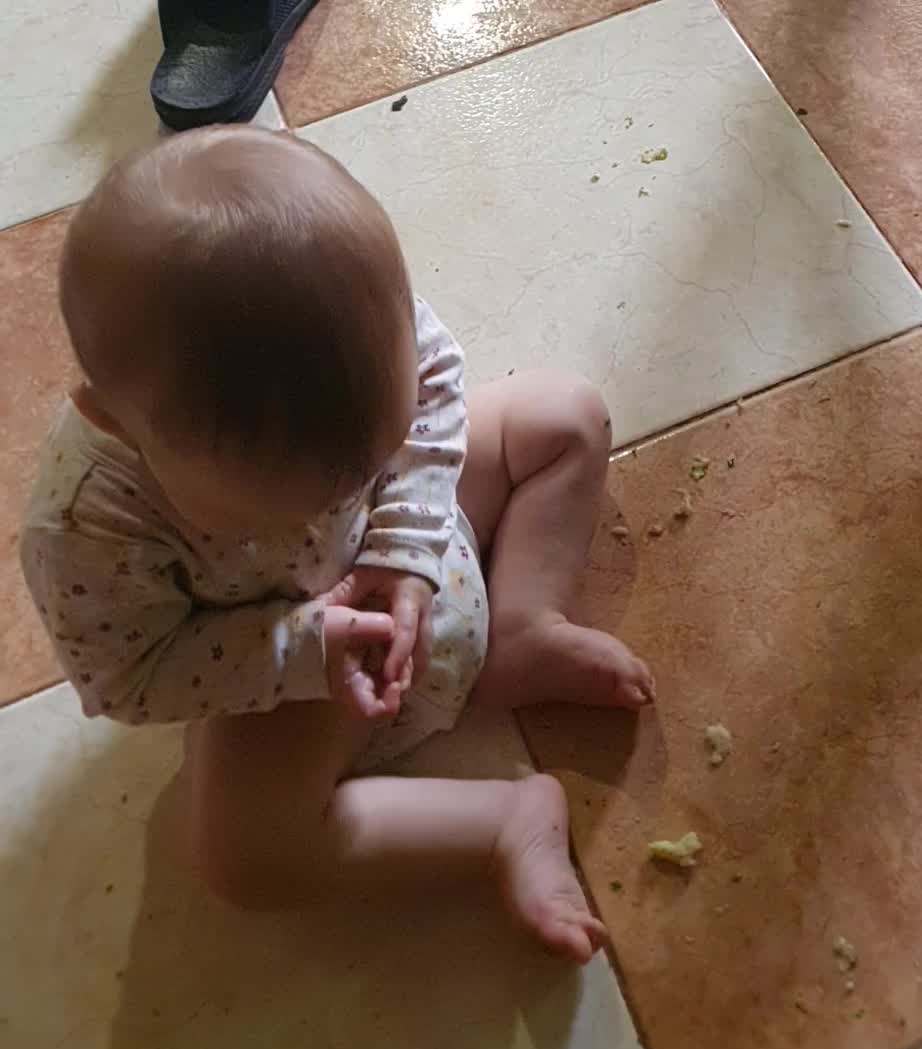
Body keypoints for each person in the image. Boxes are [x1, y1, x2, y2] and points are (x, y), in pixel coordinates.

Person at [20, 126, 654, 962]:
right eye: (286, 507)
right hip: (306, 670)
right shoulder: (87, 529)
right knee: (246, 860)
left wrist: (402, 543)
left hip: (426, 525)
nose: (341, 498)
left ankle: (524, 626)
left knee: (566, 416)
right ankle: (504, 824)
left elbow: (436, 395)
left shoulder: (355, 321)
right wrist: (306, 649)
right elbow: (129, 677)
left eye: (367, 457)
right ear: (121, 424)